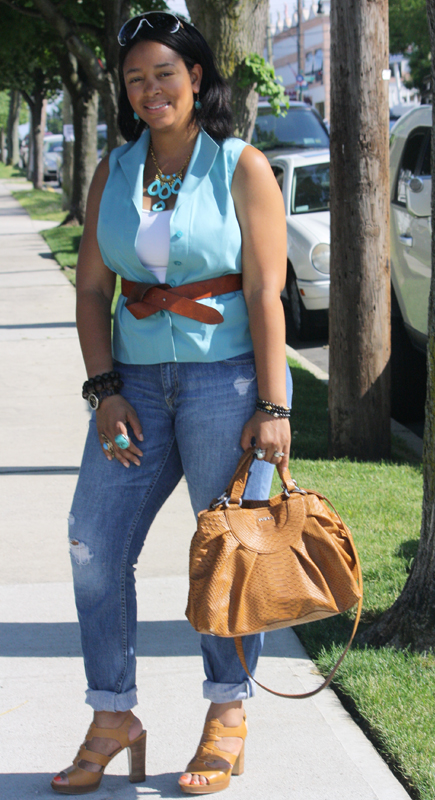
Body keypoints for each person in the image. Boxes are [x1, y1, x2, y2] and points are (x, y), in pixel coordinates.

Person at [51, 11, 291, 796]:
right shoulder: (112, 172)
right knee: (93, 540)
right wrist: (105, 388)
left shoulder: (241, 166)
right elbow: (92, 288)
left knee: (223, 548)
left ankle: (227, 714)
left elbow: (263, 291)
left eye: (165, 73)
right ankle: (113, 713)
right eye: (135, 78)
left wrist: (275, 407)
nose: (151, 89)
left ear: (196, 78)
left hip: (223, 385)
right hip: (136, 387)